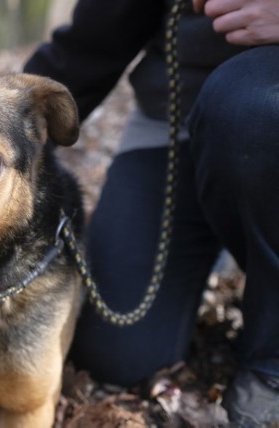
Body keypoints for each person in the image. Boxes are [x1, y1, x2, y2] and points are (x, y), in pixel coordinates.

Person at [23, 0, 279, 425]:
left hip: (259, 113)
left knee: (250, 114)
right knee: (117, 351)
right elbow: (95, 39)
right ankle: (227, 221)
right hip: (175, 114)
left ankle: (272, 360)